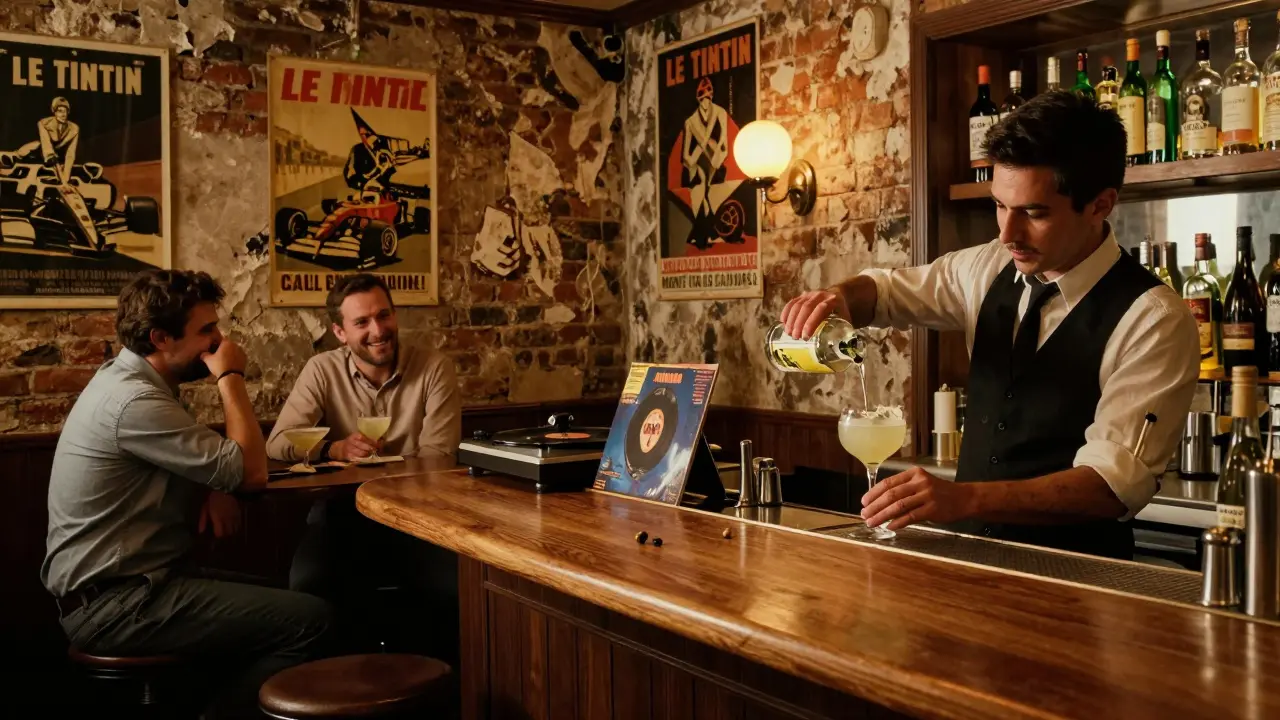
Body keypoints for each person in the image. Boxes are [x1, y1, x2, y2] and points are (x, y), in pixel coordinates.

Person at [780, 91, 1200, 560]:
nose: (1007, 234)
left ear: (1100, 205)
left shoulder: (1153, 319)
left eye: (1034, 213)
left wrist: (963, 497)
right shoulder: (986, 267)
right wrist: (838, 297)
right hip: (970, 563)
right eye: (1000, 206)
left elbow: (1111, 485)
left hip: (1078, 578)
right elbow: (887, 290)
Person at [42, 269, 333, 717]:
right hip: (118, 605)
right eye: (207, 331)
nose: (219, 341)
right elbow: (252, 472)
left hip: (129, 588)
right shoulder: (133, 401)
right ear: (160, 338)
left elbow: (212, 464)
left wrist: (214, 486)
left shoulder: (131, 383)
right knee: (313, 622)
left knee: (291, 600)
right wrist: (231, 375)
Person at [266, 273, 461, 651]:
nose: (378, 330)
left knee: (457, 591)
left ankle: (437, 689)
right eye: (362, 322)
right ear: (340, 332)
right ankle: (339, 692)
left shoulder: (433, 367)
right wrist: (333, 449)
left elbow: (438, 459)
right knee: (307, 591)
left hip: (419, 520)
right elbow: (277, 444)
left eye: (384, 316)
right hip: (340, 516)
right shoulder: (322, 369)